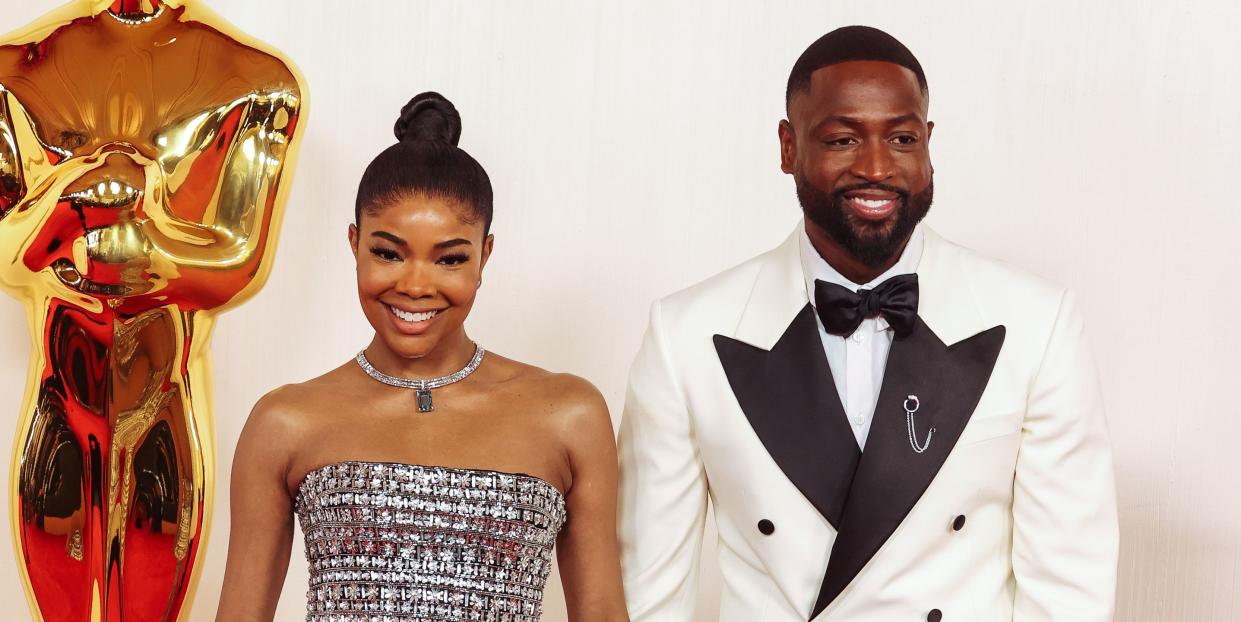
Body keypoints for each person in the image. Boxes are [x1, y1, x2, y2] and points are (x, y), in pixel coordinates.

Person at [617, 26, 1118, 621]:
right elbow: (647, 595)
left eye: (902, 137)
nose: (877, 167)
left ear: (928, 144)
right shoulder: (684, 337)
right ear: (788, 146)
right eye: (843, 139)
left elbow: (1069, 592)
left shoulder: (1038, 323)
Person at [216, 92, 629, 622]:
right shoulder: (284, 422)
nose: (414, 285)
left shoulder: (570, 415)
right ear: (353, 244)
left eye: (450, 259)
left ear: (485, 256)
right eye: (387, 253)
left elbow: (600, 611)